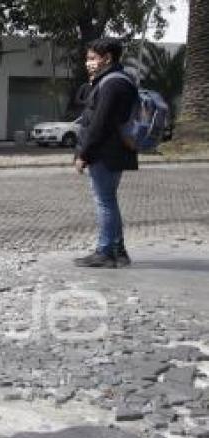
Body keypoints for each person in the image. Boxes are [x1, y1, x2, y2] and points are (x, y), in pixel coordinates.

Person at [74, 38, 139, 268]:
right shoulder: (115, 80)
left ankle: (104, 252)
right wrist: (93, 82)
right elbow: (86, 103)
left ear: (107, 58)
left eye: (92, 58)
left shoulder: (112, 84)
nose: (88, 63)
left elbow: (99, 123)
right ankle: (118, 252)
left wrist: (84, 154)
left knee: (104, 202)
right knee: (109, 201)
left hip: (106, 152)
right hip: (113, 150)